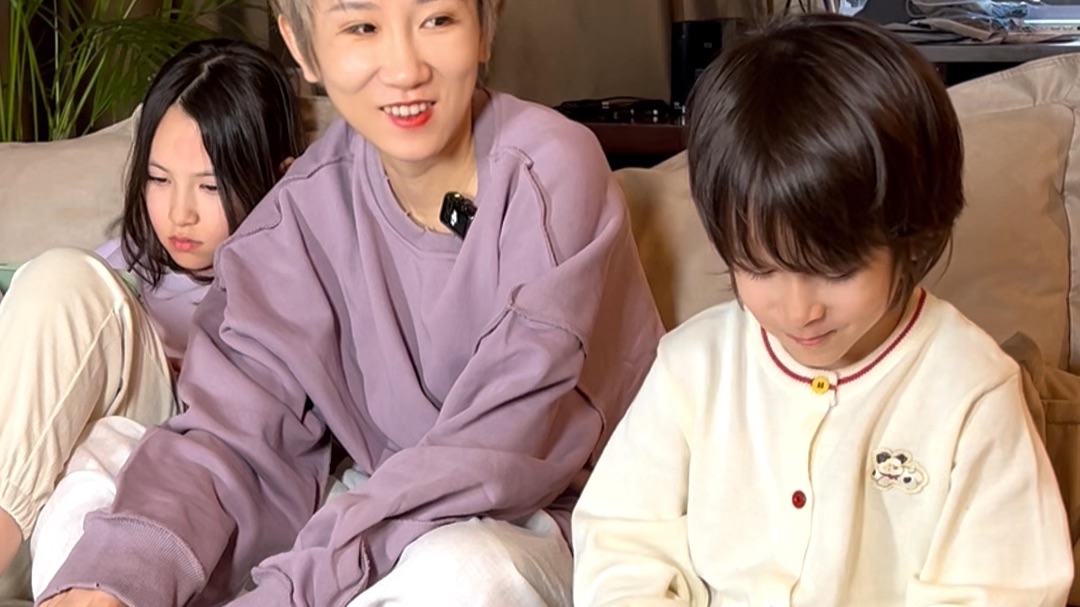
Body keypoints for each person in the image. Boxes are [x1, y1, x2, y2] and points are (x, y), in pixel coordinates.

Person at [37, 0, 664, 605]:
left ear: (485, 25)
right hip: (384, 505)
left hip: (560, 518)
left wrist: (293, 589)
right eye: (362, 27)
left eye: (437, 19)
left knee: (463, 574)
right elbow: (234, 435)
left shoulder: (550, 169)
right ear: (302, 46)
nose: (405, 69)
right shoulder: (299, 214)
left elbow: (496, 449)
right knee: (113, 480)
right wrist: (113, 581)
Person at [572, 13, 1073, 607]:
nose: (797, 310)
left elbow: (1001, 587)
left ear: (911, 235)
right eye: (759, 268)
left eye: (834, 271)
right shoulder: (692, 366)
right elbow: (621, 541)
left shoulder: (972, 389)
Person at [0, 38, 304, 600]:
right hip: (47, 490)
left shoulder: (298, 281)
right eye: (159, 180)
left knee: (68, 281)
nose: (178, 213)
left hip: (187, 462)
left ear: (280, 178)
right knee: (59, 277)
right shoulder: (115, 265)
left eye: (210, 186)